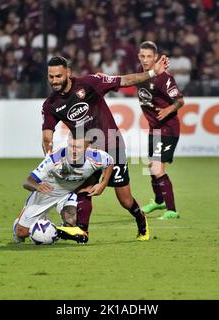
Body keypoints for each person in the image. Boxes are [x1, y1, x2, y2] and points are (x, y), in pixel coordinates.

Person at [42, 55, 169, 241]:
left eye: (58, 76)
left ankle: (141, 219)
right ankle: (82, 231)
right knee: (84, 188)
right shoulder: (51, 104)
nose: (54, 80)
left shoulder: (90, 83)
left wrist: (152, 72)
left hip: (112, 145)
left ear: (68, 73)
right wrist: (49, 156)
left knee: (125, 200)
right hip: (85, 151)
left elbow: (125, 80)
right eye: (51, 77)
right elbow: (47, 135)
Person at [13, 135, 113, 244]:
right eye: (71, 146)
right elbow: (27, 182)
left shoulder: (96, 157)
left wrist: (103, 184)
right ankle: (21, 224)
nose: (74, 151)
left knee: (71, 222)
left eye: (78, 147)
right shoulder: (54, 159)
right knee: (21, 233)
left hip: (69, 193)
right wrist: (37, 186)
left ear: (87, 147)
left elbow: (110, 162)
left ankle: (52, 231)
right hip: (47, 192)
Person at [135, 41, 185, 220]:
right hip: (154, 129)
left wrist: (168, 110)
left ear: (155, 57)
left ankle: (172, 210)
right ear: (139, 56)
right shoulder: (141, 74)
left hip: (168, 128)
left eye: (149, 56)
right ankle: (158, 201)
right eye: (143, 56)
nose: (146, 59)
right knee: (152, 167)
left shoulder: (164, 78)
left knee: (157, 168)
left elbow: (180, 101)